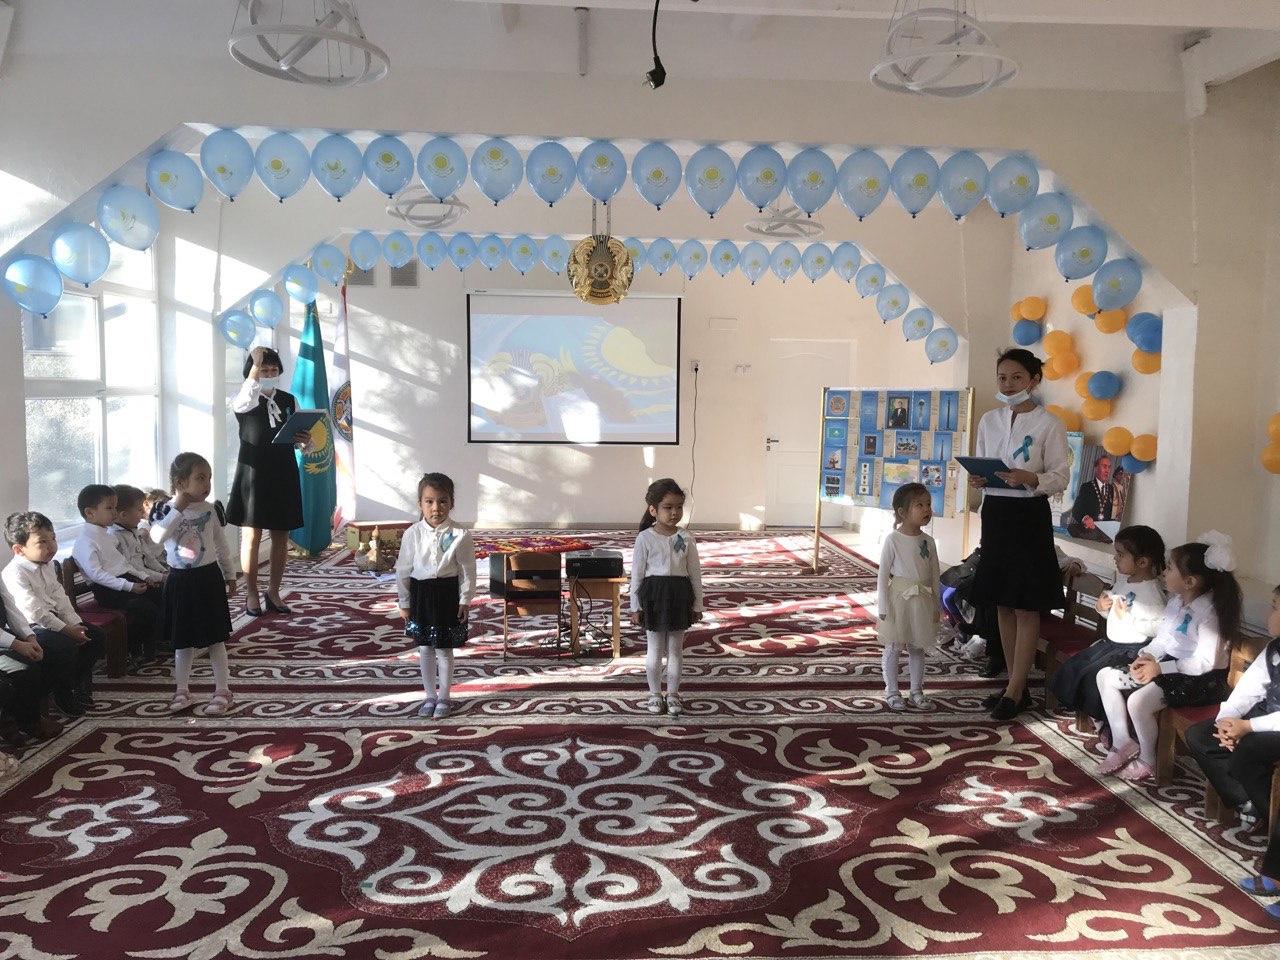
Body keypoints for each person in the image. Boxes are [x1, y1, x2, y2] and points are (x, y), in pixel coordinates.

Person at [969, 348, 1070, 721]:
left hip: (1028, 516)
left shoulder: (1049, 423)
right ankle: (1016, 685)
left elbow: (1060, 476)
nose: (1008, 384)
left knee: (1025, 604)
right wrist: (979, 479)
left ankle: (1014, 689)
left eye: (1016, 377)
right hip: (996, 514)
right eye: (1002, 378)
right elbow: (983, 464)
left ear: (1034, 380)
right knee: (1003, 601)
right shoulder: (989, 420)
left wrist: (1032, 478)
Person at [1095, 533, 1242, 782]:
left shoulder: (1210, 613)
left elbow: (1205, 662)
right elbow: (1163, 640)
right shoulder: (1176, 603)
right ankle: (1122, 742)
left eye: (1171, 568)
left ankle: (1148, 760)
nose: (1164, 572)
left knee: (1138, 702)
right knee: (1105, 677)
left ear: (1189, 581)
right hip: (1168, 666)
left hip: (1199, 679)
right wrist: (1146, 656)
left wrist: (1160, 669)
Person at [1184, 585, 1280, 918]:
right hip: (1264, 720)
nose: (1269, 613)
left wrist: (1247, 727)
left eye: (1275, 607)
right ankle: (1256, 805)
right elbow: (1248, 690)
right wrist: (1227, 721)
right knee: (1201, 734)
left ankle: (1271, 831)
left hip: (1272, 727)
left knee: (1248, 750)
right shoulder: (1274, 649)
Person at [1047, 525, 1166, 740]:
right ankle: (1097, 718)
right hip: (1110, 644)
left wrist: (1130, 615)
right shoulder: (1123, 581)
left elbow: (1157, 628)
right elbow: (1112, 613)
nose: (1115, 559)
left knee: (1093, 676)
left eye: (1120, 555)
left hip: (1131, 650)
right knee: (1076, 667)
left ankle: (1108, 724)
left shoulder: (1152, 592)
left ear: (1142, 562)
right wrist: (1102, 607)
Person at [226, 346, 312, 618]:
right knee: (251, 535)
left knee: (280, 535)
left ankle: (273, 591)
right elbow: (246, 398)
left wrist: (305, 441)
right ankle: (251, 592)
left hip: (283, 471)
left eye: (274, 370)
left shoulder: (288, 400)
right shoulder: (245, 397)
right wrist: (255, 365)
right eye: (264, 370)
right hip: (254, 473)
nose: (269, 374)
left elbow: (300, 440)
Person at [150, 453, 237, 716]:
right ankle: (182, 689)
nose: (207, 484)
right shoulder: (164, 510)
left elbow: (221, 545)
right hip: (179, 581)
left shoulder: (210, 510)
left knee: (215, 639)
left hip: (207, 579)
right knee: (182, 640)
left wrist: (230, 574)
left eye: (208, 478)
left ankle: (222, 690)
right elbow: (157, 537)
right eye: (200, 478)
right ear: (180, 482)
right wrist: (177, 507)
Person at [3, 511, 104, 714]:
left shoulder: (47, 565)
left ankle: (74, 684)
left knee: (96, 637)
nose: (51, 546)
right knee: (63, 646)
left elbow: (60, 598)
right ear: (19, 549)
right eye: (42, 542)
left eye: (53, 538)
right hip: (30, 627)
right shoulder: (14, 573)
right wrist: (67, 631)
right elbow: (35, 612)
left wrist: (75, 624)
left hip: (54, 620)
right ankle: (61, 692)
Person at [394, 472, 475, 720]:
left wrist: (465, 599)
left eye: (442, 501)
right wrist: (404, 602)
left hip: (447, 594)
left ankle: (444, 697)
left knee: (444, 649)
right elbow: (403, 570)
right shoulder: (412, 534)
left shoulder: (460, 534)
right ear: (420, 503)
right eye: (429, 501)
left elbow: (467, 570)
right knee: (425, 647)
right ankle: (430, 696)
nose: (435, 508)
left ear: (452, 503)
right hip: (421, 595)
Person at [630, 478, 703, 718]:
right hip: (654, 595)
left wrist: (698, 604)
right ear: (653, 510)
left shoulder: (686, 537)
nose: (674, 512)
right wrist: (635, 606)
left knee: (675, 649)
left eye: (679, 507)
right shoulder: (645, 538)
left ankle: (672, 694)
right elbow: (637, 575)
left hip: (679, 595)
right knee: (654, 647)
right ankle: (654, 693)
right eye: (668, 507)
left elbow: (695, 573)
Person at [70, 484, 160, 666]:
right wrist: (129, 586)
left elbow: (123, 564)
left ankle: (153, 645)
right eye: (109, 508)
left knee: (160, 594)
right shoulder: (85, 541)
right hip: (107, 591)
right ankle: (131, 648)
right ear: (90, 513)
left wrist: (144, 577)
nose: (114, 512)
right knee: (144, 607)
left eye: (115, 507)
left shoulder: (107, 536)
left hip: (123, 582)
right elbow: (97, 575)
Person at [876, 482, 940, 710]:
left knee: (917, 646)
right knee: (894, 645)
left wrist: (936, 605)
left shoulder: (929, 542)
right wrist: (882, 606)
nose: (927, 509)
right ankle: (892, 690)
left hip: (922, 600)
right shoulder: (893, 539)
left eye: (928, 504)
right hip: (898, 600)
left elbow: (935, 575)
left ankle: (916, 691)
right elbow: (883, 575)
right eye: (919, 505)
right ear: (902, 512)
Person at [111, 485, 168, 587]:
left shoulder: (133, 530)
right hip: (135, 583)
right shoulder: (116, 537)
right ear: (124, 515)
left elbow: (149, 557)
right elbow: (133, 567)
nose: (143, 512)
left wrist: (164, 572)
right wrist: (161, 577)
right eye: (140, 509)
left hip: (148, 578)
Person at [1068, 454, 1127, 542]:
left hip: (1105, 537)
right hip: (1088, 534)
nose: (1107, 470)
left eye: (1109, 467)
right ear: (1096, 468)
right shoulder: (1087, 487)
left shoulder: (1113, 490)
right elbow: (1076, 509)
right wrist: (1085, 518)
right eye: (1104, 466)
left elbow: (1115, 515)